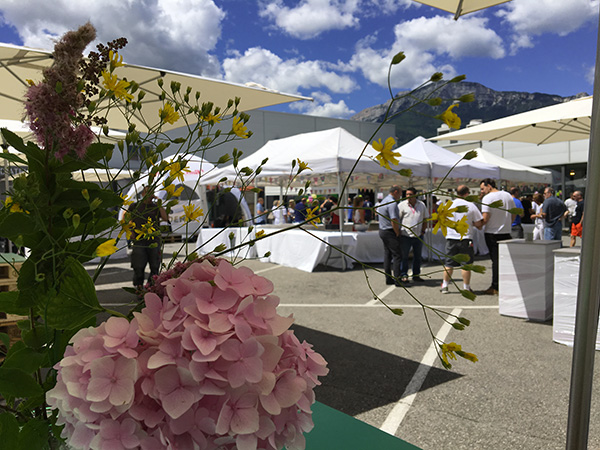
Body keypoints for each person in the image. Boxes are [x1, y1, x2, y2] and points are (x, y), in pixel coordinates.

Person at [441, 185, 484, 294]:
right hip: (465, 238)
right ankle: (466, 287)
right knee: (466, 264)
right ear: (467, 193)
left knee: (449, 263)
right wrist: (473, 224)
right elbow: (479, 223)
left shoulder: (448, 205)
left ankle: (445, 286)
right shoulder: (470, 205)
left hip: (451, 237)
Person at [128, 186, 169, 288]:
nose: (149, 195)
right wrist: (130, 231)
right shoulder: (135, 206)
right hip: (139, 240)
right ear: (142, 194)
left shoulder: (155, 206)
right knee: (138, 265)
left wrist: (159, 204)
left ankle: (151, 286)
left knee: (155, 266)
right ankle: (139, 287)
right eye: (147, 193)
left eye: (151, 193)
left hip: (154, 240)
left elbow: (165, 218)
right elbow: (128, 218)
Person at [480, 178, 515, 295]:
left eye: (482, 188)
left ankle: (495, 286)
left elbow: (485, 217)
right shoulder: (507, 195)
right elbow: (514, 213)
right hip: (506, 231)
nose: (482, 191)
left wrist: (478, 224)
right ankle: (506, 284)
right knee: (505, 261)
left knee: (496, 261)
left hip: (492, 232)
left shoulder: (488, 198)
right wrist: (507, 223)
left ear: (489, 186)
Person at [397, 187, 429, 283]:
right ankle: (404, 274)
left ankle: (416, 275)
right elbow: (397, 220)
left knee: (417, 256)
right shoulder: (402, 205)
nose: (408, 196)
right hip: (405, 235)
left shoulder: (421, 205)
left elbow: (425, 219)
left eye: (411, 194)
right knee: (404, 256)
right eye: (407, 194)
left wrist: (423, 231)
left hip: (418, 235)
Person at [377, 185, 403, 286]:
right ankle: (397, 279)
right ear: (396, 192)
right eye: (400, 192)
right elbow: (394, 220)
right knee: (397, 255)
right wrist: (397, 232)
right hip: (389, 231)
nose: (401, 195)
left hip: (383, 230)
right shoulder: (392, 203)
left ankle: (388, 278)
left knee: (387, 254)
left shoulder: (384, 201)